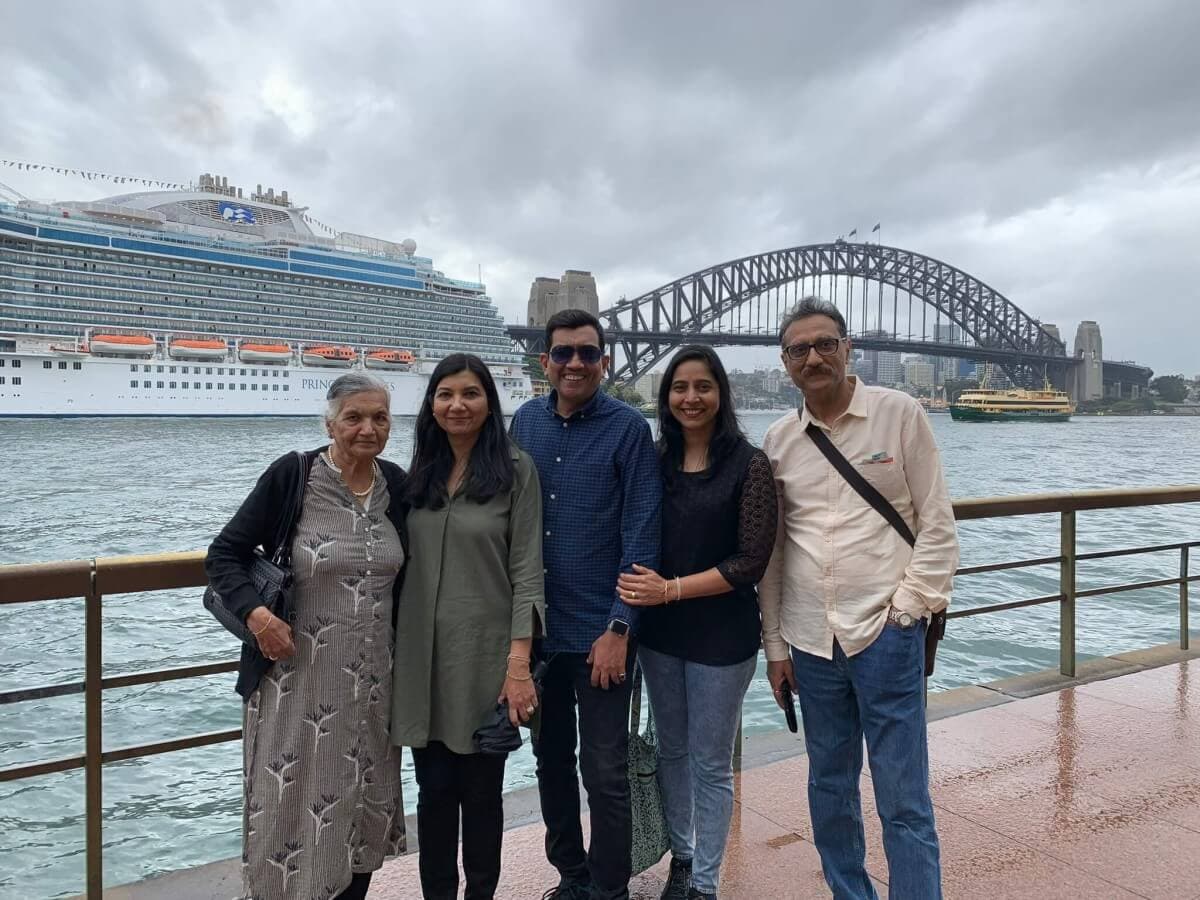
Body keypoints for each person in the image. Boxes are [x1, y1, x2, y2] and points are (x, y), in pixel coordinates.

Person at [759, 297, 959, 900]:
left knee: (903, 797)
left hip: (884, 633)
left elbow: (938, 524)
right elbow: (772, 552)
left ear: (849, 349)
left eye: (826, 344)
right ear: (785, 363)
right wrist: (774, 646)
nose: (814, 357)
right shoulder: (777, 440)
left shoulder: (899, 414)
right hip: (810, 641)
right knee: (829, 789)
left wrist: (908, 610)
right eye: (800, 348)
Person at [205, 373, 409, 900]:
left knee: (358, 811)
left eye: (379, 417)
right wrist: (257, 617)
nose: (367, 428)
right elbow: (224, 554)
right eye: (354, 417)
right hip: (296, 681)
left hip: (372, 690)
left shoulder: (397, 486)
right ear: (330, 423)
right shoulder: (293, 476)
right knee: (289, 814)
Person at [509, 308, 662, 900]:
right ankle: (571, 878)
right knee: (550, 763)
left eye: (588, 353)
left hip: (602, 634)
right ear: (544, 360)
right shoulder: (524, 423)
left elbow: (642, 535)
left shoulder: (627, 429)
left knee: (605, 772)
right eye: (564, 353)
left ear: (604, 360)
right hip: (541, 634)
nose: (576, 363)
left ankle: (609, 890)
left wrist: (620, 628)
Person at [616, 345, 777, 900]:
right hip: (660, 634)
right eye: (679, 388)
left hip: (721, 636)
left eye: (702, 387)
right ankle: (681, 858)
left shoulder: (748, 463)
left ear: (720, 394)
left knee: (710, 763)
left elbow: (750, 562)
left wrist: (671, 589)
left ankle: (705, 883)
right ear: (666, 398)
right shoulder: (653, 460)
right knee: (672, 752)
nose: (691, 398)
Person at [391, 353, 545, 900]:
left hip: (486, 660)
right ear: (431, 404)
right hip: (420, 663)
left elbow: (527, 571)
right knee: (432, 795)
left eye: (470, 394)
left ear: (489, 402)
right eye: (445, 394)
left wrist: (519, 666)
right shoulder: (414, 478)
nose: (457, 405)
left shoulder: (516, 470)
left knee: (482, 797)